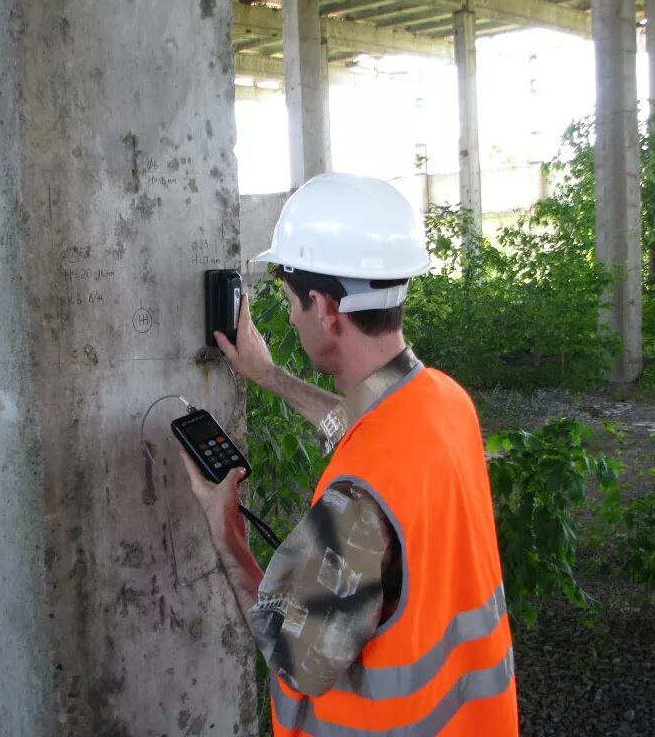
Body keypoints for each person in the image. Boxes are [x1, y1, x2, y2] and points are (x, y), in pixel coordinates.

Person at [179, 172, 518, 736]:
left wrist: (225, 527)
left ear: (324, 307)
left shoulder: (358, 498)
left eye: (290, 303)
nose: (288, 318)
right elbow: (362, 423)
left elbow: (291, 654)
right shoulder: (445, 402)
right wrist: (270, 377)